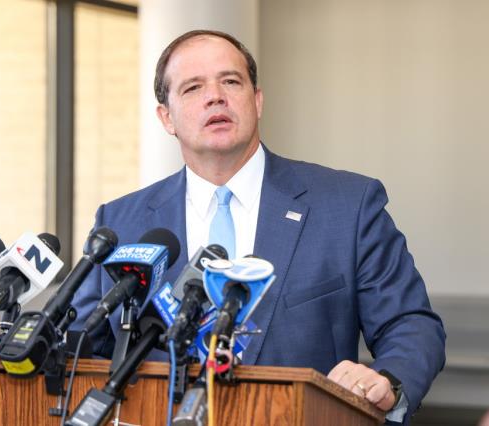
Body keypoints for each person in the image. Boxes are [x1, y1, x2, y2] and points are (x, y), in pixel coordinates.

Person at [70, 29, 445, 423]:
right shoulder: (121, 222)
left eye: (231, 81)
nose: (216, 96)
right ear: (167, 118)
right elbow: (81, 346)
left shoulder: (346, 205)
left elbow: (411, 324)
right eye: (193, 87)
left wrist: (385, 380)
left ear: (257, 100)